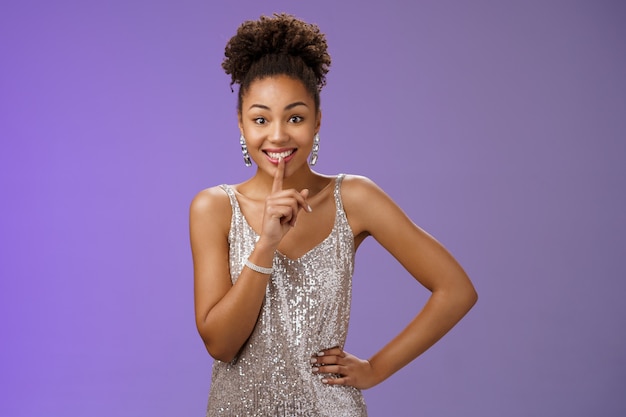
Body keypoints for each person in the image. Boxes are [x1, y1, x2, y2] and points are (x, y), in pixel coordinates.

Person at [190, 13, 477, 417]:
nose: (277, 135)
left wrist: (376, 368)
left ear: (317, 121)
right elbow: (220, 345)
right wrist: (267, 242)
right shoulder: (214, 207)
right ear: (241, 124)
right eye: (260, 119)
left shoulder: (354, 198)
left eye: (295, 117)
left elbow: (456, 290)